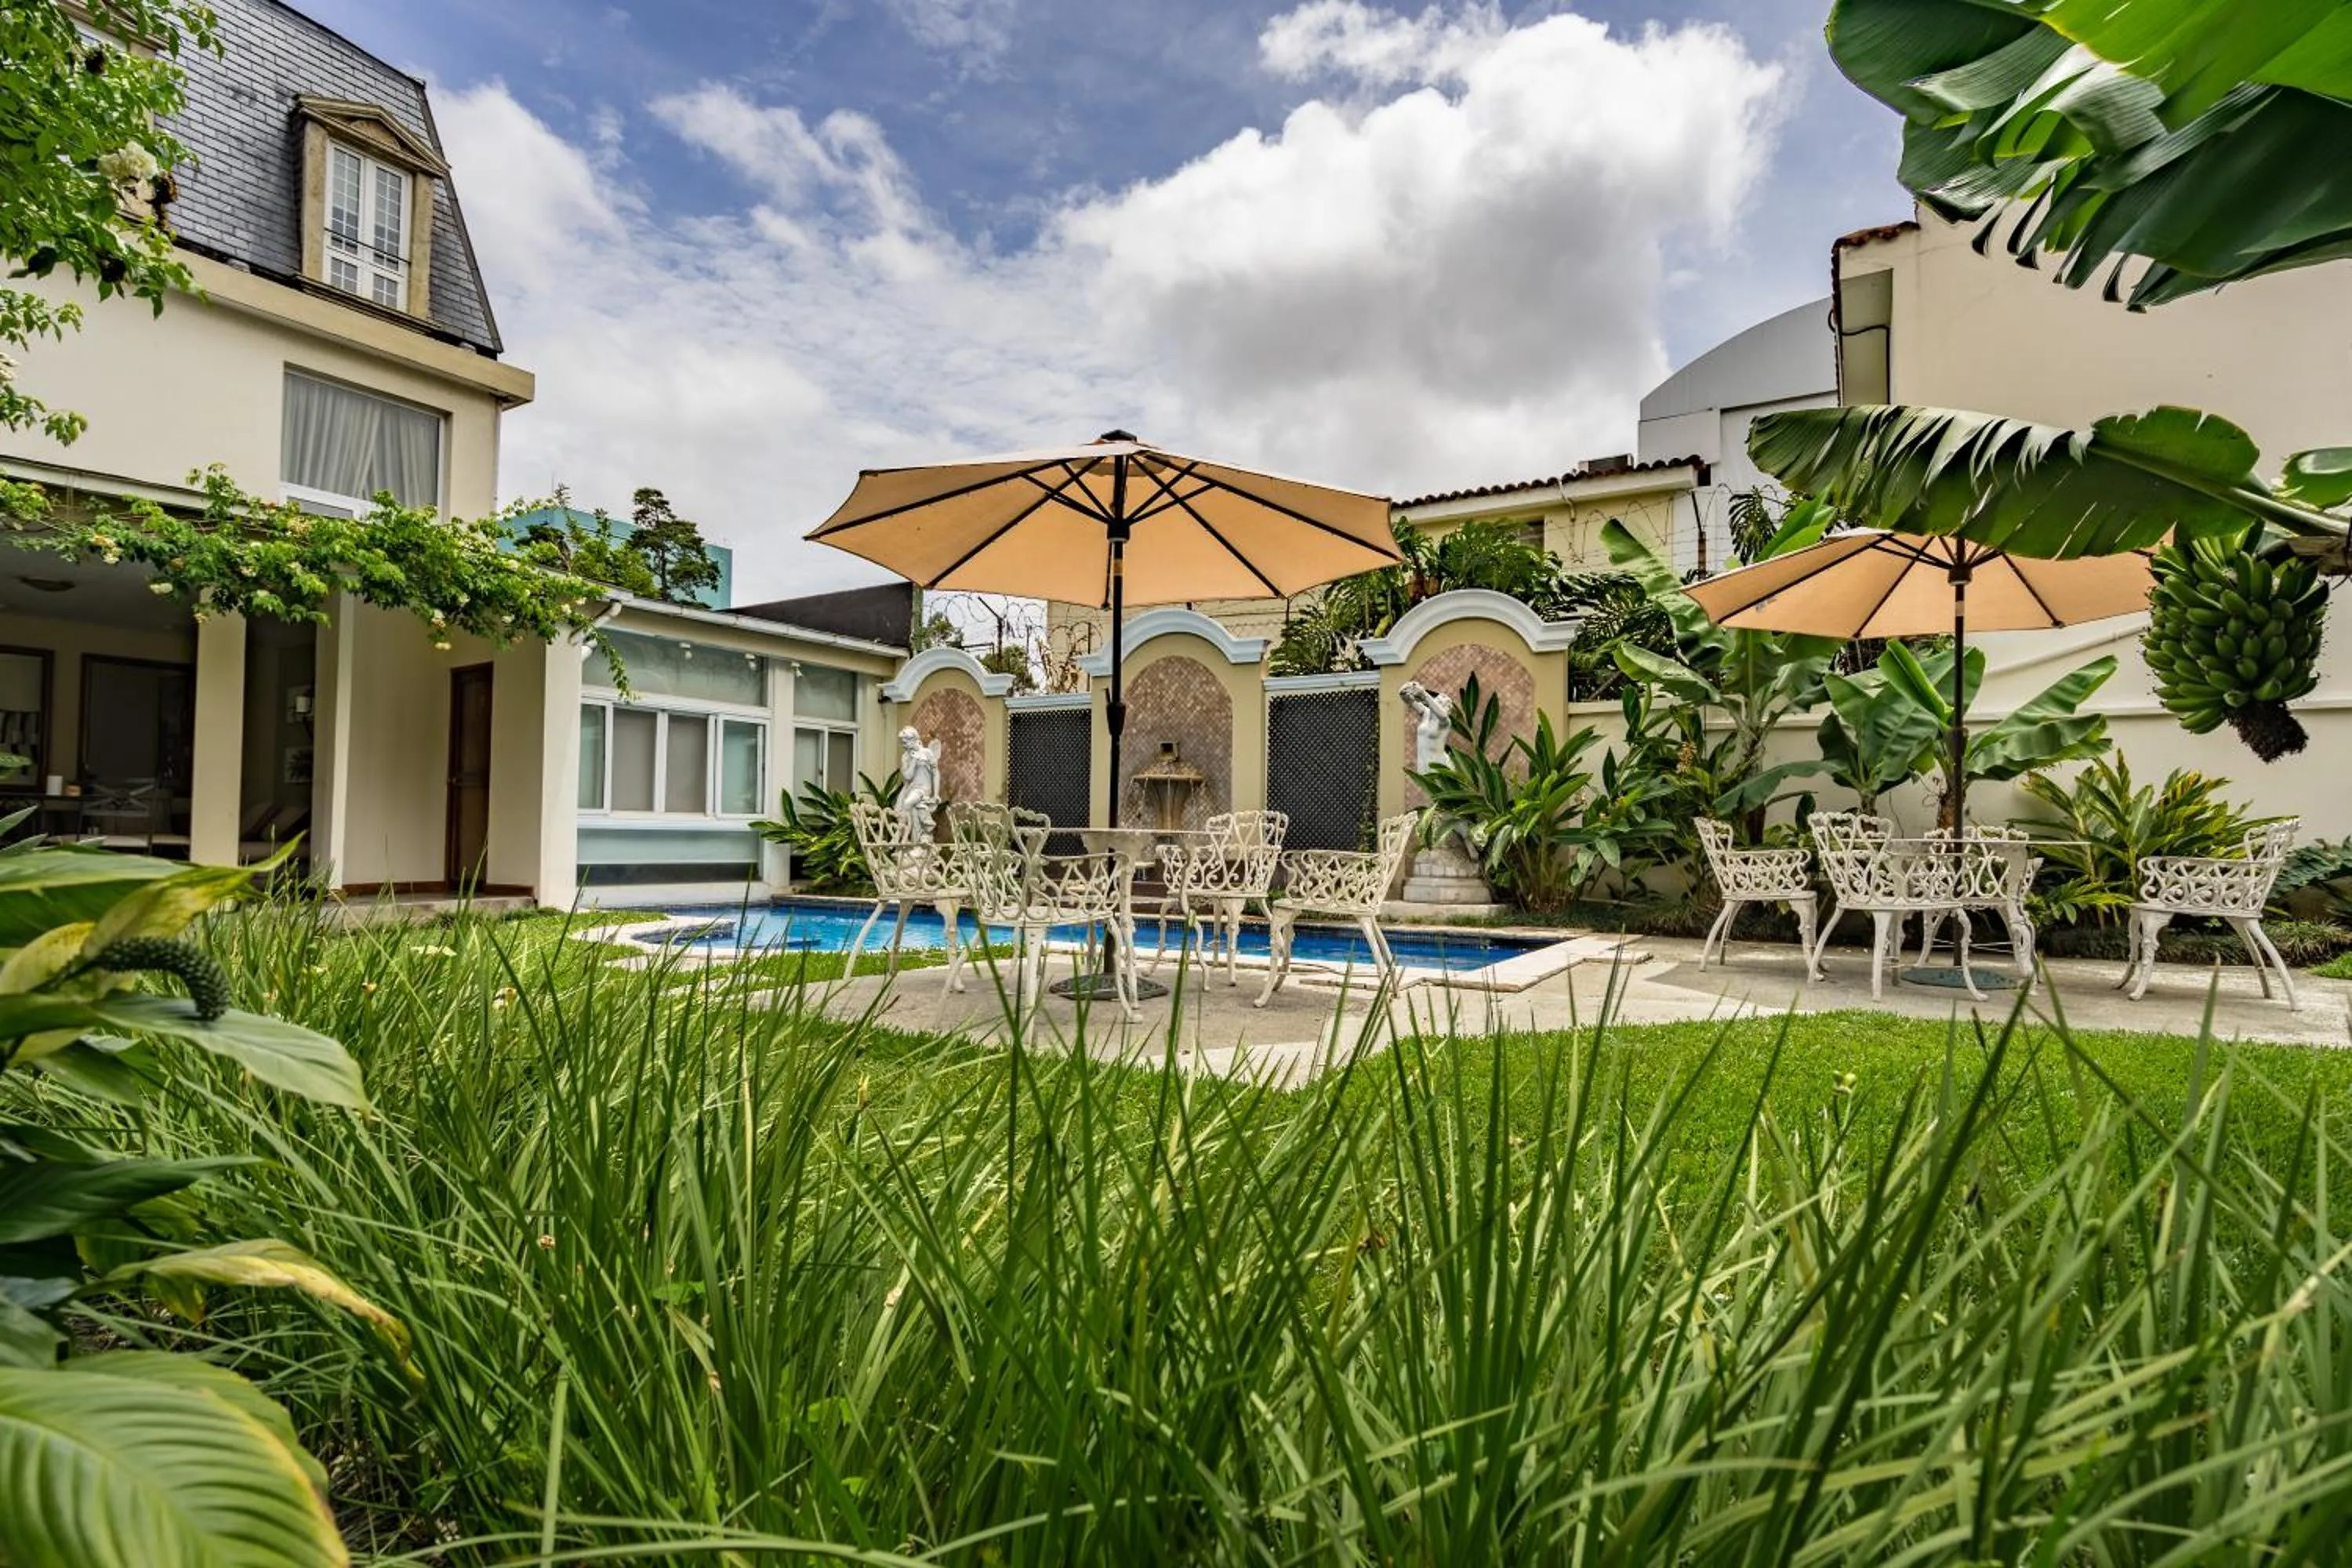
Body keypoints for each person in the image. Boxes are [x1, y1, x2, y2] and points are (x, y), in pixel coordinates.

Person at [896, 726, 943, 840]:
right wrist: (914, 761)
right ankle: (915, 840)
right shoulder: (906, 757)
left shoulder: (927, 753)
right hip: (911, 788)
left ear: (913, 740)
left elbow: (935, 773)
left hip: (923, 789)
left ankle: (899, 834)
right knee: (911, 809)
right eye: (902, 743)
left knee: (908, 803)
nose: (903, 745)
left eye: (905, 742)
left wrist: (936, 794)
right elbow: (908, 777)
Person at [1398, 681, 1454, 771]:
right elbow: (1409, 701)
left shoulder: (1445, 723)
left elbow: (1443, 715)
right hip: (1424, 763)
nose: (1442, 697)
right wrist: (1406, 691)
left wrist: (1424, 694)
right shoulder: (1426, 713)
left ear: (1447, 709)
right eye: (1439, 697)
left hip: (1440, 766)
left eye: (1445, 701)